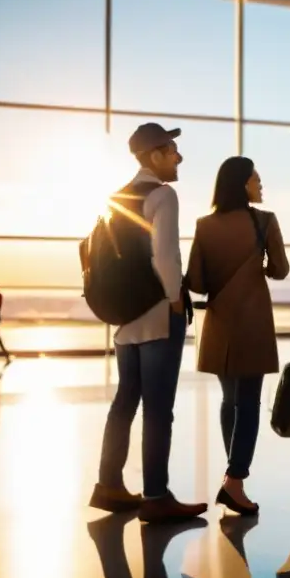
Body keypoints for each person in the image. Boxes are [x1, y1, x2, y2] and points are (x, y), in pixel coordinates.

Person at [89, 123, 207, 524]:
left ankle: (109, 484)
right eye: (172, 149)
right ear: (155, 155)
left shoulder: (115, 198)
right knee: (159, 409)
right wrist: (175, 297)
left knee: (125, 401)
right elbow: (165, 256)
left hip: (124, 318)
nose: (179, 156)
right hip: (157, 312)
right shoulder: (163, 195)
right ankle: (156, 495)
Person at [185, 156, 289, 516]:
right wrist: (257, 263)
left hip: (219, 325)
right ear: (244, 183)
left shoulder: (204, 224)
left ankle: (233, 473)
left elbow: (196, 283)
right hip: (252, 322)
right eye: (257, 180)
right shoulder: (264, 221)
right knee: (249, 404)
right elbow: (281, 270)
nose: (261, 186)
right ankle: (235, 480)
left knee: (230, 400)